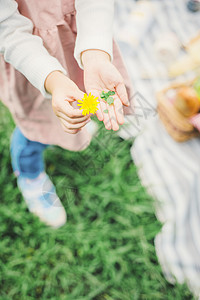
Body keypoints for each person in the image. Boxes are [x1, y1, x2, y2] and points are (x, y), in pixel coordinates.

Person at [0, 0, 134, 228]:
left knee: (82, 99)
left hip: (79, 42)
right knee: (37, 124)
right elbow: (7, 28)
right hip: (32, 63)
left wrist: (96, 56)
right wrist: (52, 79)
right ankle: (30, 174)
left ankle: (66, 125)